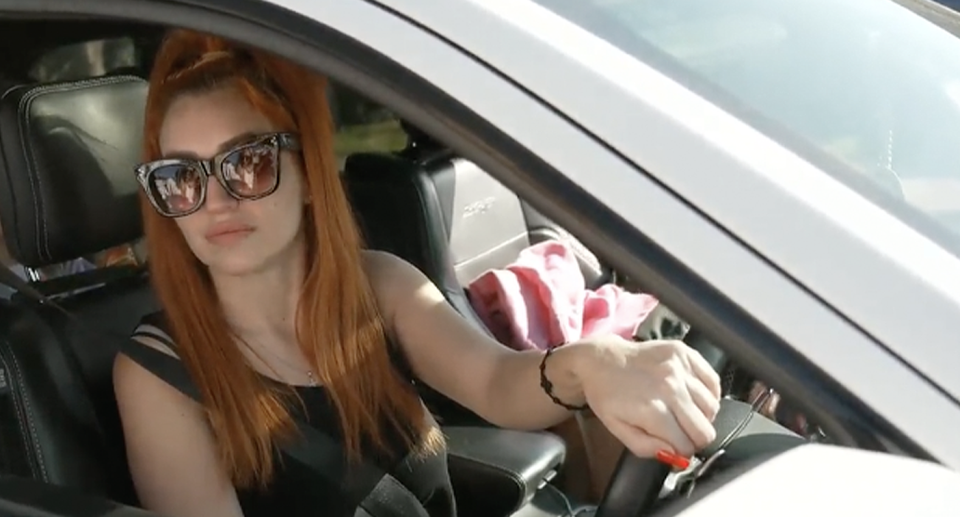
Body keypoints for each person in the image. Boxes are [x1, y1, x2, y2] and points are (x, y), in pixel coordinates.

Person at [113, 29, 722, 517]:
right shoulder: (159, 375)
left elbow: (495, 383)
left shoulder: (378, 286)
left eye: (247, 162)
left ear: (308, 174)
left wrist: (594, 362)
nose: (215, 200)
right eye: (181, 177)